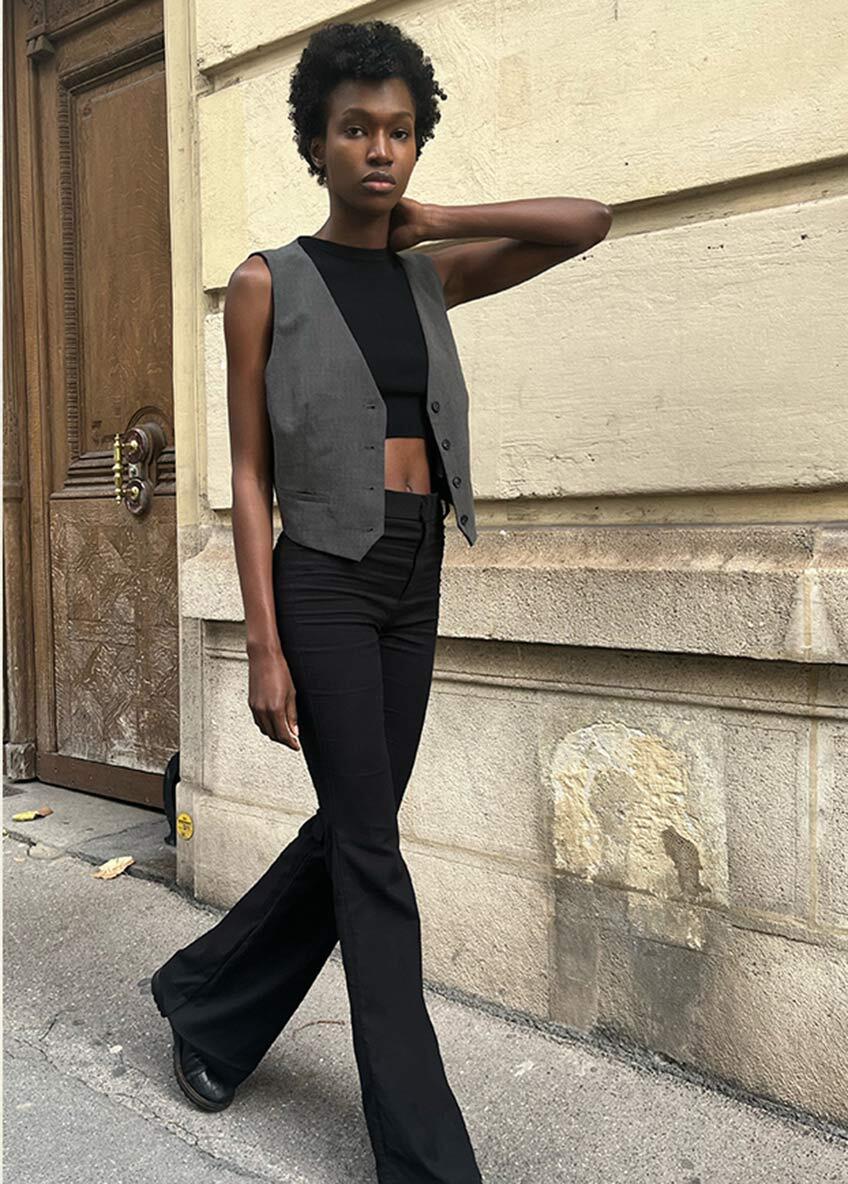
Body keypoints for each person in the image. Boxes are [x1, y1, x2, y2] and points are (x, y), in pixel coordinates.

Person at [150, 18, 612, 1184]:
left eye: (399, 132)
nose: (378, 149)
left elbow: (586, 224)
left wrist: (438, 217)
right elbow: (248, 472)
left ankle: (206, 999)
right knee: (372, 853)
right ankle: (425, 1156)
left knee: (351, 829)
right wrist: (263, 644)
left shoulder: (429, 273)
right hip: (322, 577)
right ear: (315, 142)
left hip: (417, 569)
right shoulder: (264, 284)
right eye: (354, 128)